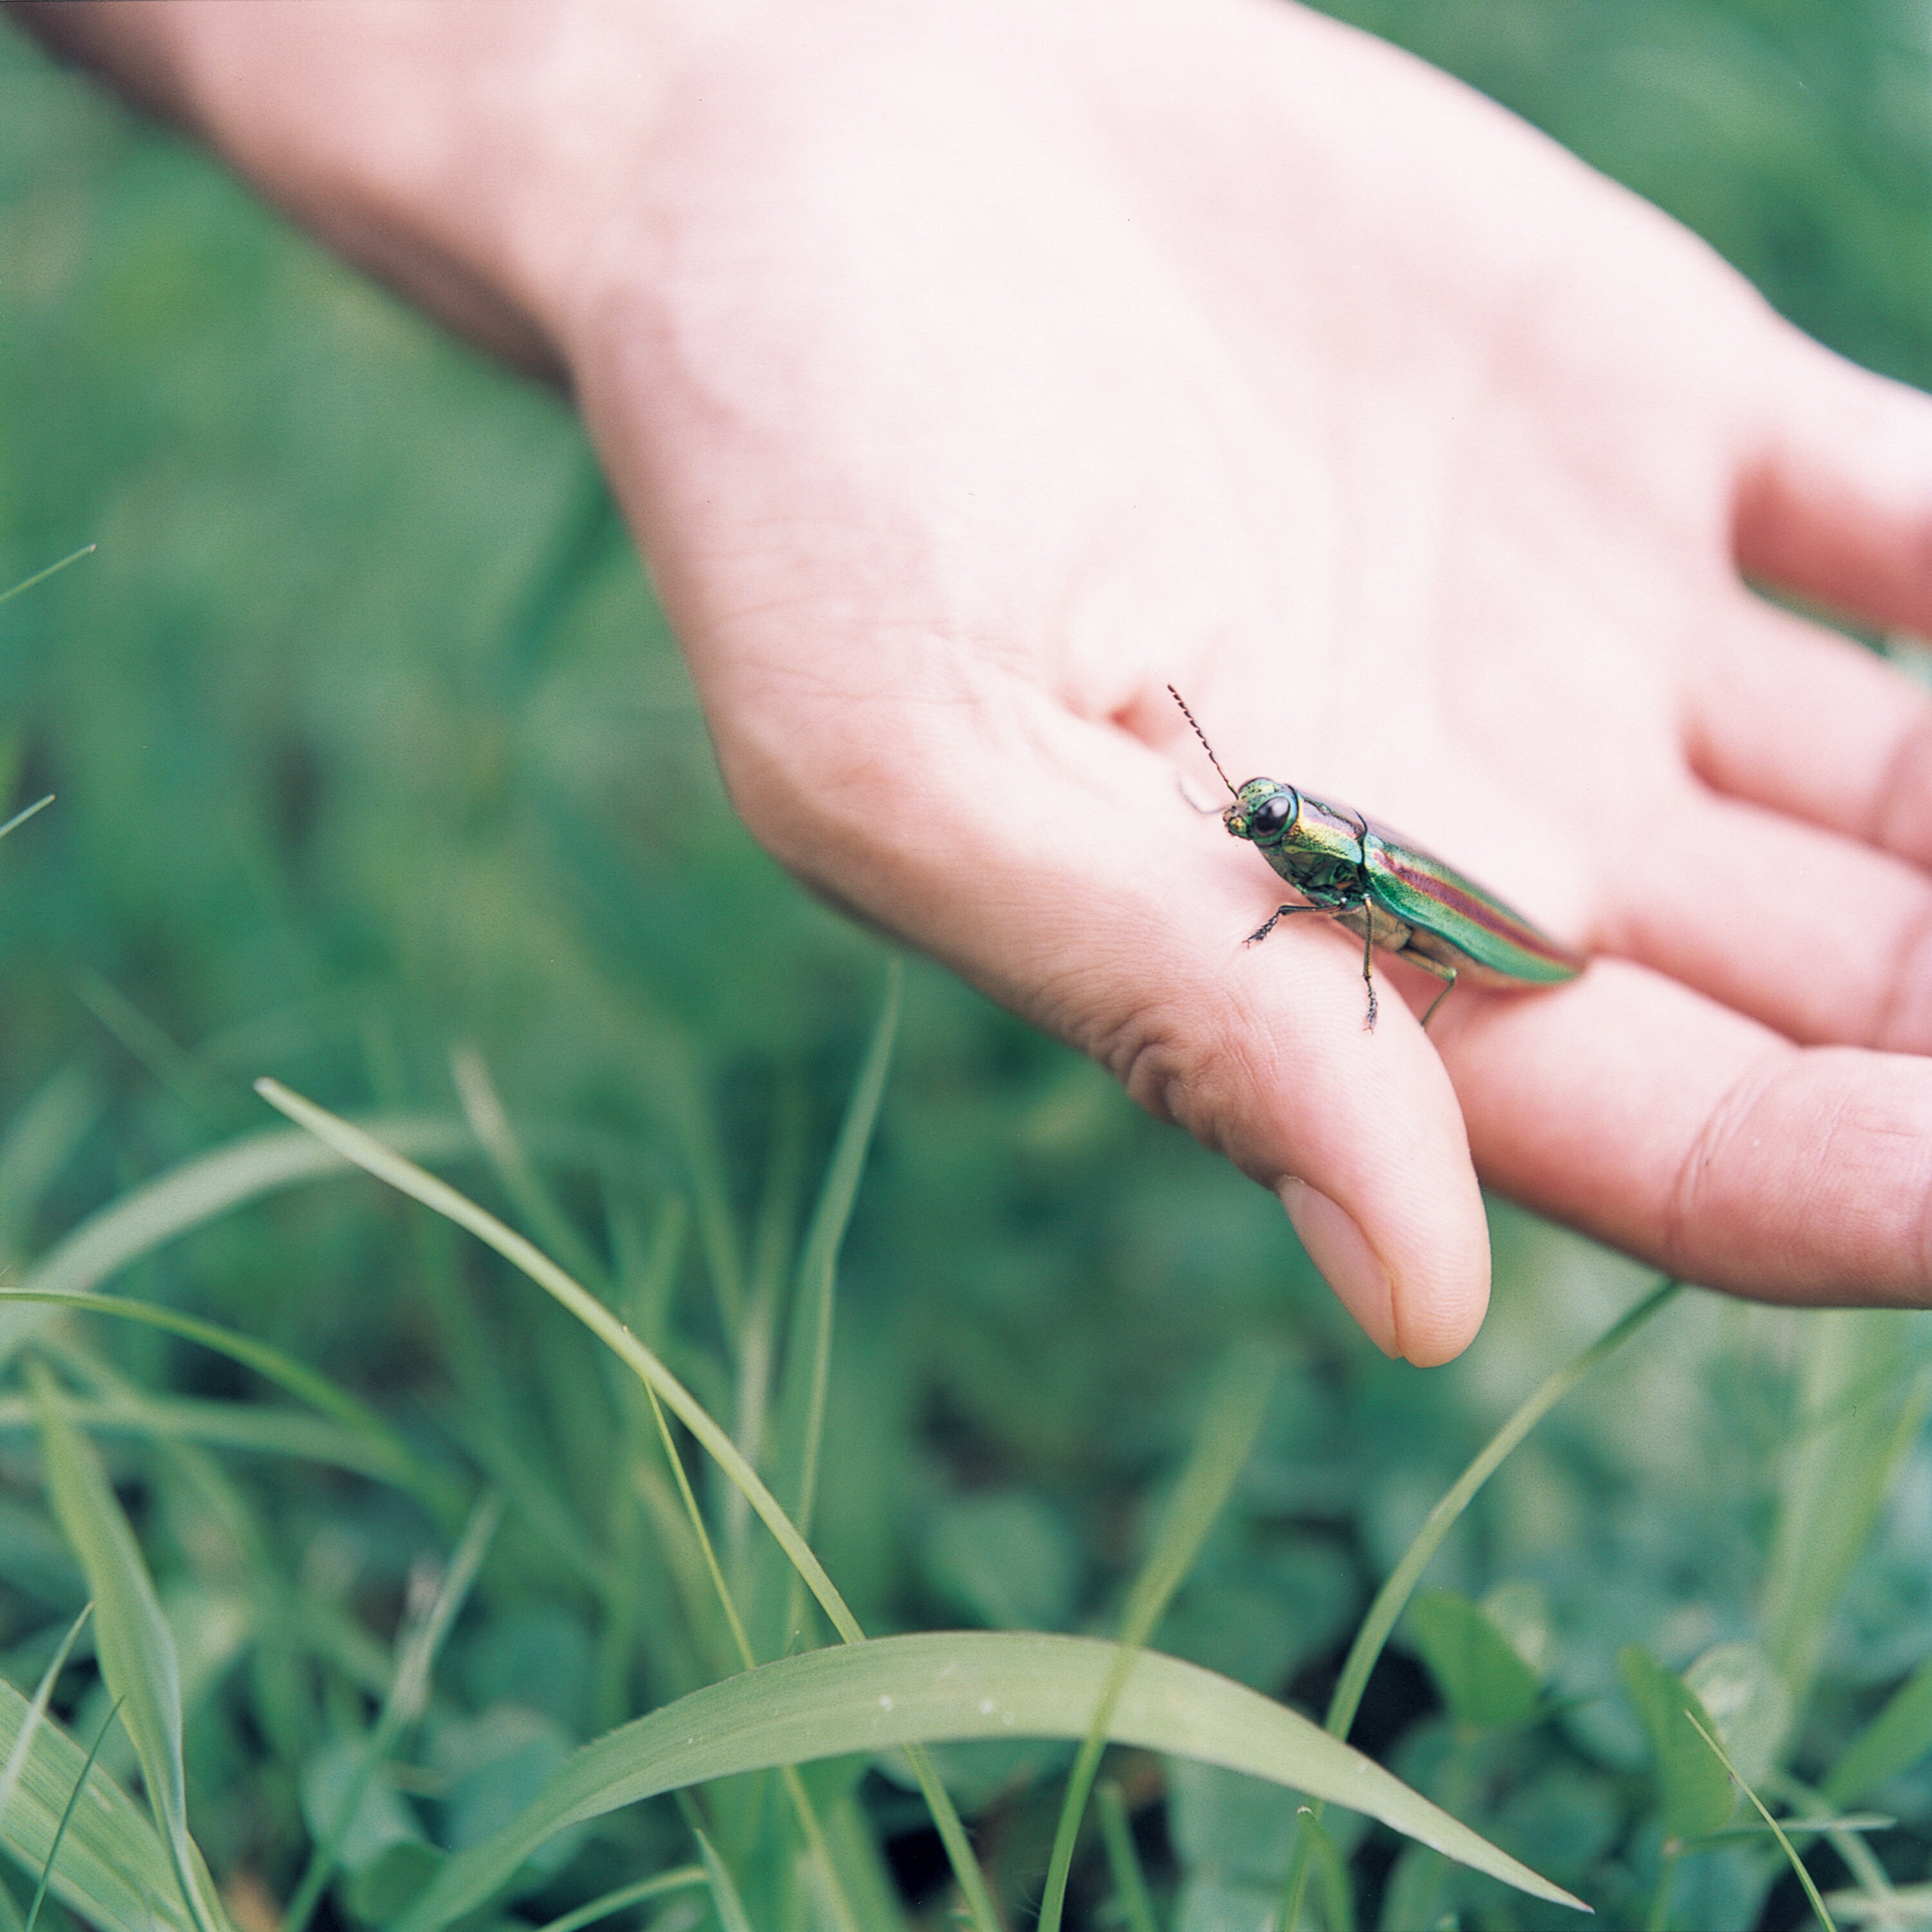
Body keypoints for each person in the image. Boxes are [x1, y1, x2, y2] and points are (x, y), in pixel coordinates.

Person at [15, 0, 1932, 1365]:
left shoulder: (1335, 876)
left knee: (1414, 929)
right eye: (1254, 815)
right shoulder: (1290, 845)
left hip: (1474, 920)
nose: (1248, 828)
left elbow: (1364, 910)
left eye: (1260, 816)